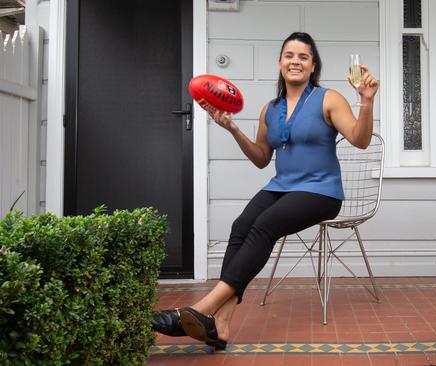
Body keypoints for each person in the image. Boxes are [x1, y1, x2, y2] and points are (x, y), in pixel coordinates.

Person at [151, 32, 379, 349]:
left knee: (264, 225)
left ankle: (201, 309)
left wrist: (366, 102)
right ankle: (222, 324)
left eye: (303, 56)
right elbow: (261, 158)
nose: (295, 61)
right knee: (241, 227)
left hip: (321, 192)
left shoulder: (328, 99)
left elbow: (360, 139)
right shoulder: (269, 109)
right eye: (289, 55)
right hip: (282, 187)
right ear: (280, 62)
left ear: (313, 66)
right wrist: (233, 129)